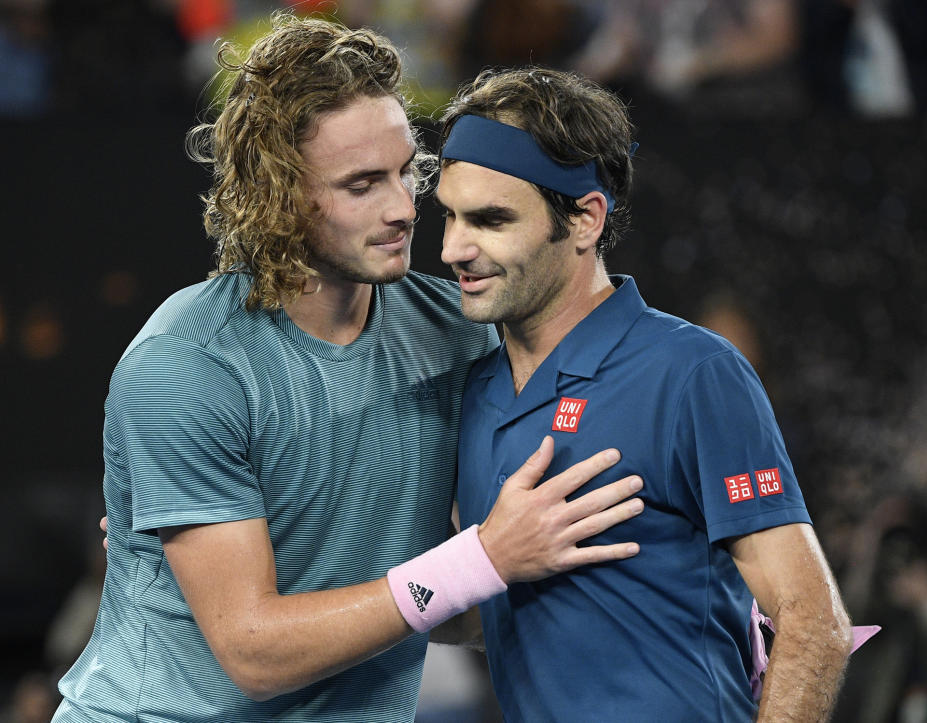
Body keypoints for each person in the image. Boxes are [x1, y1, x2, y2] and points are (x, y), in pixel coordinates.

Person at [52, 17, 645, 722]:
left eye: (407, 171)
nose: (403, 208)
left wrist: (680, 614)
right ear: (277, 195)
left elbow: (460, 601)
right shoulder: (187, 366)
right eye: (362, 184)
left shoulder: (459, 336)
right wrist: (480, 559)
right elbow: (255, 650)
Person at [436, 67, 855, 721]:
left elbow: (813, 620)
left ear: (584, 220)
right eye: (451, 214)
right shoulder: (475, 389)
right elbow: (492, 615)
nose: (454, 247)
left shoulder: (693, 372)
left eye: (490, 219)